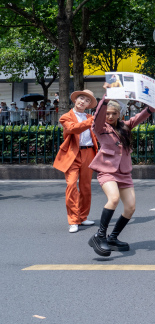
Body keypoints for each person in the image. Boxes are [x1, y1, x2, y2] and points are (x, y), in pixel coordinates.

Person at [86, 85, 155, 256]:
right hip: (107, 171)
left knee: (130, 208)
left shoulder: (125, 127)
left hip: (124, 173)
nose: (110, 116)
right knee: (113, 199)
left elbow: (141, 116)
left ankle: (112, 237)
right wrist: (105, 97)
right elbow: (98, 115)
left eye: (114, 113)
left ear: (119, 114)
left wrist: (153, 103)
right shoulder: (99, 128)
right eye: (108, 114)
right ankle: (99, 236)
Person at [54, 90, 98, 233]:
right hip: (72, 154)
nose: (82, 101)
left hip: (89, 152)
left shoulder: (90, 117)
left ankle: (83, 217)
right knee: (71, 185)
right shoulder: (66, 117)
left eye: (86, 100)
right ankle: (73, 220)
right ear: (75, 100)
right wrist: (92, 121)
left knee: (86, 187)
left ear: (89, 104)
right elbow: (73, 129)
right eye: (80, 98)